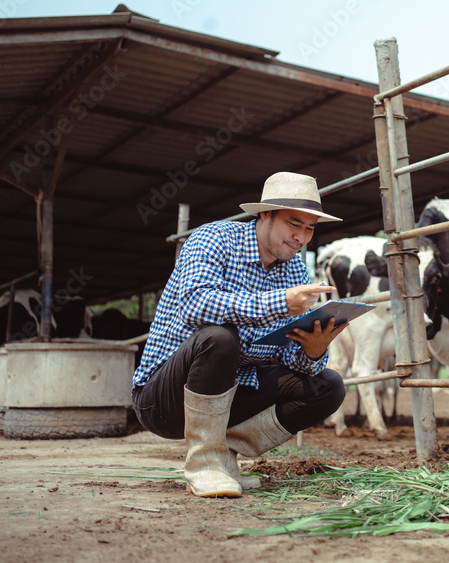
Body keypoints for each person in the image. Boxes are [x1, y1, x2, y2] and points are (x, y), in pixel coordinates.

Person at [131, 172, 348, 498]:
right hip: (165, 399)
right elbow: (195, 306)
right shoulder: (213, 239)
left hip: (234, 393)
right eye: (294, 223)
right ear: (264, 213)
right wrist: (280, 303)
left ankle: (223, 458)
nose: (301, 237)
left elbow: (293, 357)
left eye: (309, 228)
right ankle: (204, 464)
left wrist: (313, 349)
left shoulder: (294, 269)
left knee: (328, 386)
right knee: (220, 338)